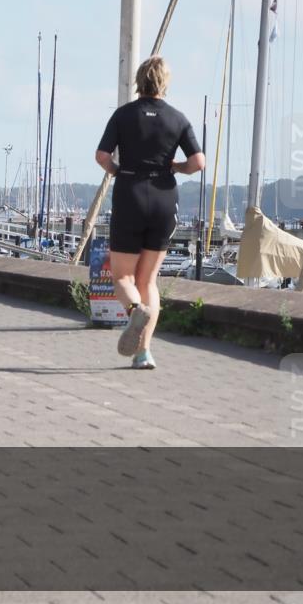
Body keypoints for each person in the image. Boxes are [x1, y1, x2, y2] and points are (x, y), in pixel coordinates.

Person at [95, 56, 205, 370]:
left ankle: (134, 311)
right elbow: (199, 162)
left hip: (130, 192)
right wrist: (176, 167)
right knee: (149, 281)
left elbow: (102, 155)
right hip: (164, 198)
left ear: (139, 80)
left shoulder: (123, 115)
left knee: (123, 277)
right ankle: (143, 354)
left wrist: (116, 170)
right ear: (164, 82)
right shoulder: (178, 118)